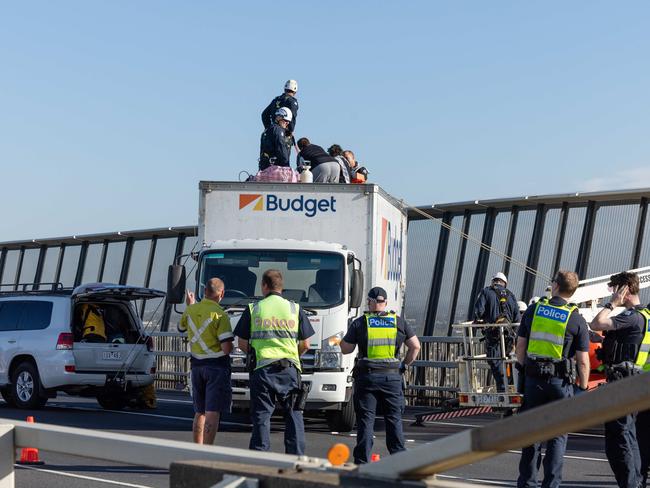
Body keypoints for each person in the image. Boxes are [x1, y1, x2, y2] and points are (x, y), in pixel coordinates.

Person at [515, 270, 590, 488]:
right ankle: (551, 484)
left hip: (533, 380)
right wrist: (582, 389)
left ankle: (527, 483)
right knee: (557, 437)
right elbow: (582, 361)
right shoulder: (575, 318)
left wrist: (523, 368)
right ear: (573, 291)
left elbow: (520, 346)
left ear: (555, 286)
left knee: (531, 435)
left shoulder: (534, 310)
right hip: (560, 383)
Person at [233, 269, 314, 455]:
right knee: (294, 414)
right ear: (281, 287)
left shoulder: (254, 309)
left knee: (262, 416)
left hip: (262, 371)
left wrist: (256, 355)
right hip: (290, 370)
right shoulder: (295, 308)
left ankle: (260, 458)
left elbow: (242, 343)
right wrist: (294, 355)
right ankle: (296, 459)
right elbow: (306, 344)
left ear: (264, 286)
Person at [340, 286, 421, 464]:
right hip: (392, 378)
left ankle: (362, 461)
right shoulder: (398, 322)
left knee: (366, 421)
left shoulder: (361, 322)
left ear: (369, 302)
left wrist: (339, 341)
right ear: (384, 303)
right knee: (394, 419)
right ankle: (399, 461)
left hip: (367, 378)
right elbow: (416, 346)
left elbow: (346, 349)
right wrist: (403, 365)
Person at [590, 271, 650, 488]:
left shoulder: (631, 316)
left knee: (618, 440)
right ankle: (636, 482)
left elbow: (597, 323)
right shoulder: (645, 316)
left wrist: (611, 304)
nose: (612, 292)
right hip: (635, 380)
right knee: (630, 437)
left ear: (624, 291)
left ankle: (630, 484)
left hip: (623, 383)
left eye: (614, 289)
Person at [178, 278, 234, 445]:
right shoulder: (220, 315)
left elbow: (182, 328)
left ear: (205, 292)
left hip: (196, 366)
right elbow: (226, 349)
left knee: (199, 412)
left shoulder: (191, 310)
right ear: (221, 294)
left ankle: (198, 448)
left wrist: (191, 305)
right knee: (212, 412)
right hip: (216, 367)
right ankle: (208, 449)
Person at [473, 272, 521, 392]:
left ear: (493, 281)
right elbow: (517, 318)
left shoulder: (486, 292)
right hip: (509, 336)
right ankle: (509, 387)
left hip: (493, 336)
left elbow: (479, 311)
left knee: (495, 361)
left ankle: (503, 389)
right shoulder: (511, 295)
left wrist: (480, 321)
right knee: (508, 362)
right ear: (504, 283)